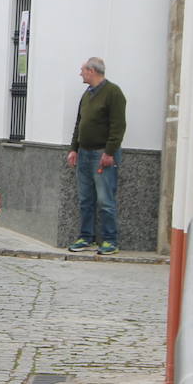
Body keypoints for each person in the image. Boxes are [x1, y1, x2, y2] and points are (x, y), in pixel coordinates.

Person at [66, 57, 127, 255]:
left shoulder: (113, 92)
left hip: (102, 154)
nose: (80, 73)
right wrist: (74, 148)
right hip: (84, 153)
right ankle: (86, 237)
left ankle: (110, 240)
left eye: (82, 69)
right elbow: (79, 123)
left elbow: (118, 125)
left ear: (92, 71)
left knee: (105, 199)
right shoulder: (87, 94)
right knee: (85, 198)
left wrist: (109, 152)